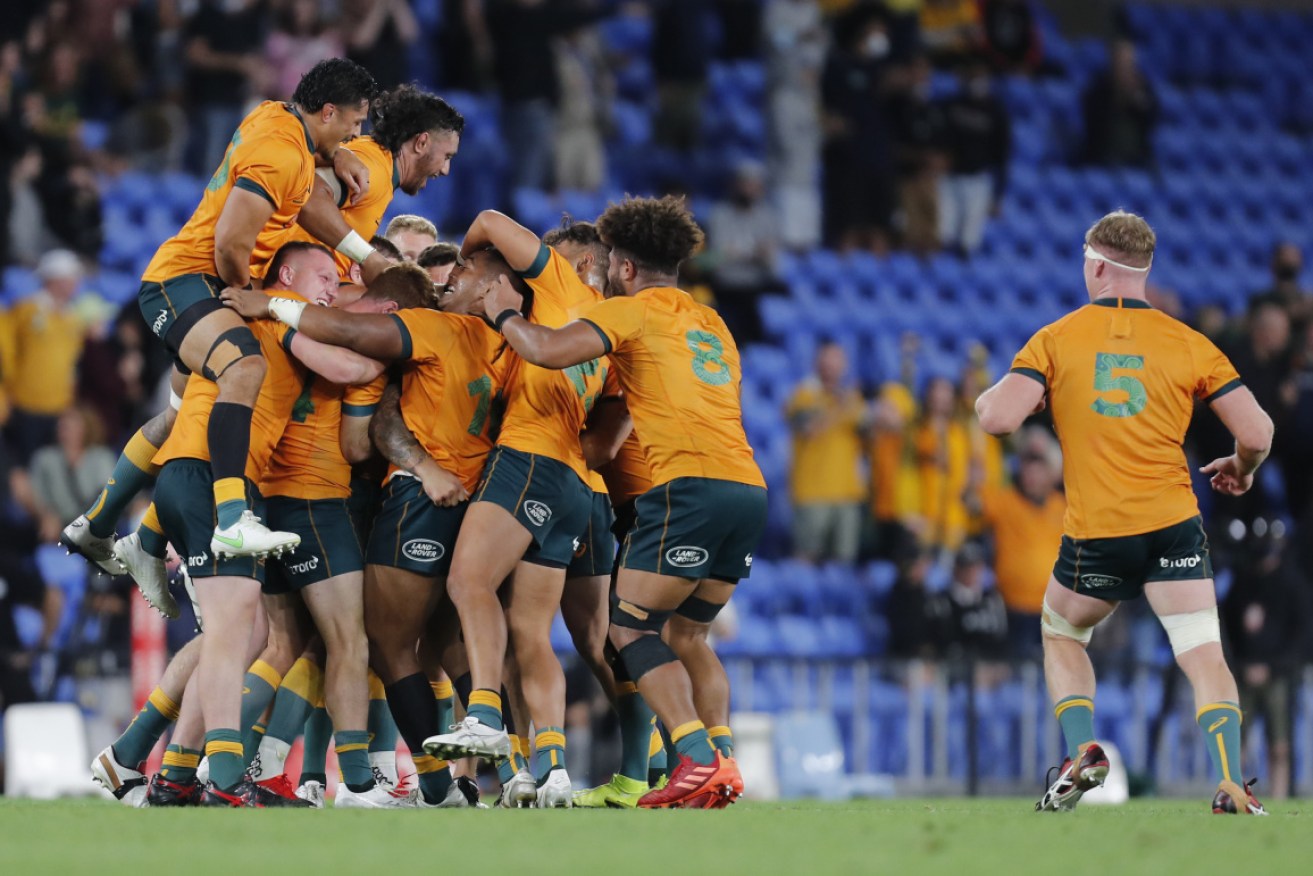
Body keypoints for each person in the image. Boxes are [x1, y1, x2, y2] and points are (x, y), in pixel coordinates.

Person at [975, 210, 1275, 815]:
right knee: (1203, 653)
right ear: (1145, 270)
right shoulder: (1189, 343)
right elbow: (1260, 431)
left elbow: (998, 419)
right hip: (1173, 525)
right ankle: (1229, 781)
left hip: (1099, 532)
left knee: (1062, 632)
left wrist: (993, 394)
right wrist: (1242, 468)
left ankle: (1083, 750)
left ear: (1096, 265)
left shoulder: (1056, 339)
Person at [476, 195, 767, 808]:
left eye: (611, 265)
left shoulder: (631, 313)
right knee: (689, 636)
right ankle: (724, 763)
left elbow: (551, 351)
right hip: (747, 487)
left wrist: (505, 315)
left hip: (686, 487)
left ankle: (692, 757)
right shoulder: (712, 322)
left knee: (628, 630)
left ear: (627, 269)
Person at [223, 255, 523, 807]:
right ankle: (520, 769)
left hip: (376, 497)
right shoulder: (511, 348)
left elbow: (361, 436)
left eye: (458, 280)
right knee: (436, 639)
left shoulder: (426, 329)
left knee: (362, 641)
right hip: (474, 499)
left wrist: (270, 303)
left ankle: (383, 781)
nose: (444, 289)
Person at [64, 59, 377, 575]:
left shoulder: (275, 117)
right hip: (185, 282)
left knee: (179, 412)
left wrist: (336, 151)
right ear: (327, 111)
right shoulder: (280, 154)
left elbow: (300, 185)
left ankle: (97, 526)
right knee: (245, 367)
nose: (356, 133)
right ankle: (233, 519)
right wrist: (251, 295)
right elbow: (233, 243)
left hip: (190, 281)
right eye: (353, 124)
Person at [414, 209, 612, 809]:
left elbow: (488, 219)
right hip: (574, 482)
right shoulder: (610, 334)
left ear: (581, 264)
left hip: (528, 459)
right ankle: (546, 770)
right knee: (529, 633)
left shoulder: (561, 285)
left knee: (467, 581)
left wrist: (474, 259)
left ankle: (483, 716)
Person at [966, 426, 1065, 659]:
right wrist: (973, 477)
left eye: (1038, 471)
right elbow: (972, 503)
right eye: (1027, 471)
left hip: (1052, 609)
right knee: (1014, 668)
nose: (1032, 477)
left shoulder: (1061, 506)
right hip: (1013, 604)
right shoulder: (1006, 501)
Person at [1, 250, 91, 462]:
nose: (76, 284)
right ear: (55, 280)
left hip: (60, 408)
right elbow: (7, 350)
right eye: (71, 279)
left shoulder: (72, 318)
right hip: (25, 406)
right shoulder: (26, 310)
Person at [786, 341, 867, 564]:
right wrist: (840, 407)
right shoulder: (804, 395)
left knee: (844, 560)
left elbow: (869, 430)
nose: (831, 365)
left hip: (847, 492)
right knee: (806, 557)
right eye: (826, 359)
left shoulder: (853, 399)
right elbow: (808, 429)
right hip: (812, 492)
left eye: (837, 360)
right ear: (817, 363)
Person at [936, 64, 1010, 257]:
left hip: (977, 178)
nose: (976, 82)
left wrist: (998, 194)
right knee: (943, 233)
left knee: (969, 239)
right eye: (972, 76)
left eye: (981, 76)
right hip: (947, 177)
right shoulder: (949, 105)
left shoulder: (995, 110)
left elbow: (1001, 154)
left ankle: (962, 271)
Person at [1081, 40, 1157, 168]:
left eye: (1128, 61)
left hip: (1137, 157)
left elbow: (1152, 118)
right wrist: (1116, 97)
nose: (1124, 66)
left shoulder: (1142, 86)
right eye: (1121, 61)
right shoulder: (1100, 87)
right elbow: (1092, 121)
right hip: (1103, 155)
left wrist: (1137, 101)